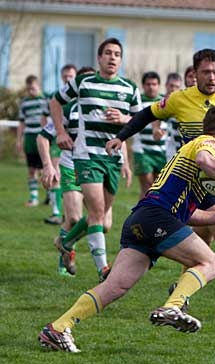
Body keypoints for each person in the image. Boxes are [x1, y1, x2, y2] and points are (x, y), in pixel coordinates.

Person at [38, 106, 215, 353]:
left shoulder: (191, 152)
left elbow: (186, 214)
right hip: (157, 218)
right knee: (211, 264)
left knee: (115, 287)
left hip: (142, 219)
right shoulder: (211, 145)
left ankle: (57, 328)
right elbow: (205, 160)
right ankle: (174, 306)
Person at [106, 49, 215, 316]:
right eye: (206, 72)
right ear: (194, 73)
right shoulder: (180, 99)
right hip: (192, 181)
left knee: (202, 239)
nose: (212, 77)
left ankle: (180, 295)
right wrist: (122, 136)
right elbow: (147, 114)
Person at [50, 38, 140, 282]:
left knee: (99, 216)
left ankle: (66, 241)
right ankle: (103, 270)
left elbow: (137, 121)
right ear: (99, 58)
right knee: (97, 211)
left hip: (113, 158)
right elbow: (55, 101)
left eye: (117, 54)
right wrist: (60, 131)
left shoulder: (130, 88)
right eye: (108, 53)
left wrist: (123, 119)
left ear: (121, 60)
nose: (112, 58)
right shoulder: (83, 82)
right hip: (86, 156)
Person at [38, 66, 97, 276]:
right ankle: (65, 259)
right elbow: (43, 136)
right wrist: (48, 165)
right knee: (73, 218)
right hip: (71, 164)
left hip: (96, 167)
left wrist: (124, 162)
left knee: (99, 221)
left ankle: (64, 242)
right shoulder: (68, 108)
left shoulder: (103, 107)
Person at [43, 64, 78, 225]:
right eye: (65, 76)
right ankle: (57, 212)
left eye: (71, 76)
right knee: (56, 174)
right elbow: (45, 118)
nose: (68, 79)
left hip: (78, 144)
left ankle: (67, 212)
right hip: (59, 139)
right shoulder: (55, 96)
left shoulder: (80, 95)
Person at [132, 71, 166, 199]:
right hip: (142, 151)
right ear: (143, 86)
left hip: (161, 151)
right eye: (148, 84)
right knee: (147, 186)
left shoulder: (165, 101)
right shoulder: (138, 102)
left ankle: (154, 215)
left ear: (158, 85)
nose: (151, 87)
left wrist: (164, 133)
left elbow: (170, 124)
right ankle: (142, 216)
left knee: (159, 188)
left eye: (154, 84)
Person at [16, 75, 48, 207]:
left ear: (38, 86)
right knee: (31, 169)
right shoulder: (24, 103)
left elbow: (48, 120)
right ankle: (33, 198)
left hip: (41, 137)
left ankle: (50, 195)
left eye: (33, 88)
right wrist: (19, 140)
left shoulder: (45, 100)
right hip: (29, 138)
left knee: (44, 169)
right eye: (28, 89)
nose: (31, 91)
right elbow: (21, 123)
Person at [163, 72, 183, 160]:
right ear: (166, 85)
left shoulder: (183, 104)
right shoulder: (159, 104)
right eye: (171, 86)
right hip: (160, 147)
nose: (173, 89)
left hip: (178, 147)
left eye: (177, 87)